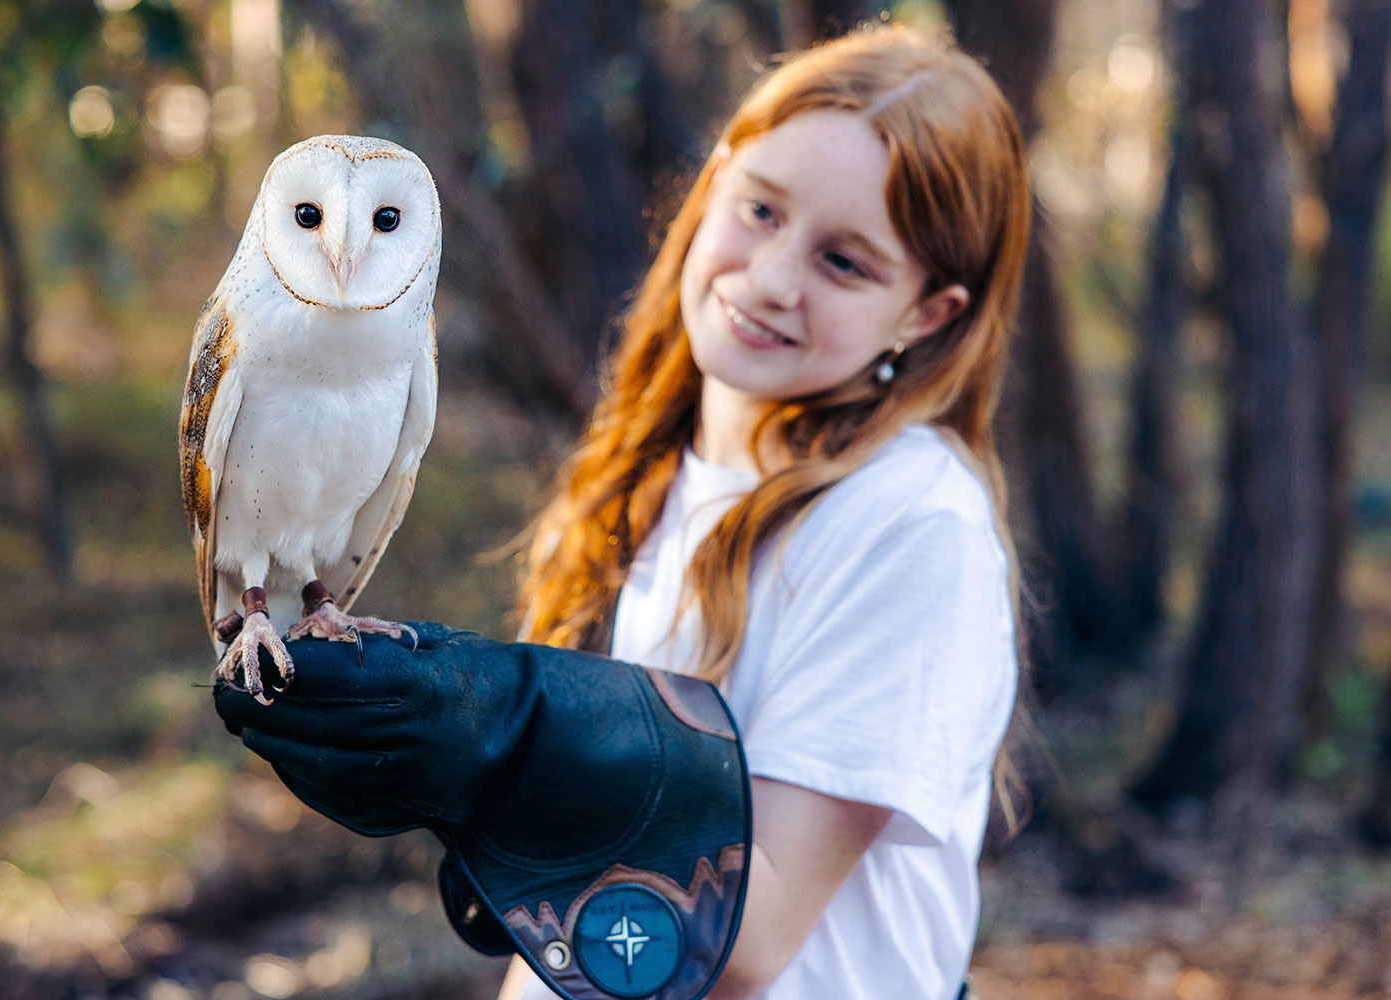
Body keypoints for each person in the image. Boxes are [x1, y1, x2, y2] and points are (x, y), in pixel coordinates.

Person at [216, 22, 1027, 1000]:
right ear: (715, 178)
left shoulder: (907, 520)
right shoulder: (656, 466)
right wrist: (475, 783)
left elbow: (750, 934)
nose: (771, 278)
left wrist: (511, 746)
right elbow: (591, 924)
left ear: (926, 314)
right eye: (761, 209)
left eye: (844, 263)